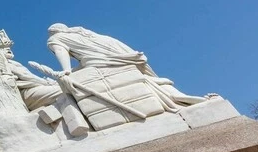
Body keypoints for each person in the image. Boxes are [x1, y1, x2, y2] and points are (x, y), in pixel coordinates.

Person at [45, 23, 207, 110]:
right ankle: (185, 99)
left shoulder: (56, 39)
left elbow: (62, 52)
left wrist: (67, 71)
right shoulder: (90, 35)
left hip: (102, 62)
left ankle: (183, 101)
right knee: (148, 79)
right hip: (123, 55)